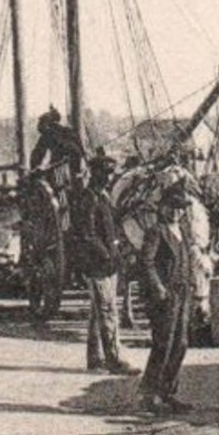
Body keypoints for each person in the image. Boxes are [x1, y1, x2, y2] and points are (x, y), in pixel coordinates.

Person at [139, 182, 197, 414]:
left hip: (183, 294)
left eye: (180, 207)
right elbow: (147, 262)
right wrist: (158, 288)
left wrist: (193, 286)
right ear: (162, 207)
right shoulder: (156, 231)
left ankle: (168, 392)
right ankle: (150, 393)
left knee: (181, 344)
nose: (175, 211)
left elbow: (189, 259)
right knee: (163, 343)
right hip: (165, 296)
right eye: (171, 207)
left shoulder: (182, 231)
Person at [76, 154, 137, 375]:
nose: (110, 177)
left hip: (106, 263)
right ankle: (114, 359)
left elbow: (109, 226)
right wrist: (108, 255)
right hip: (97, 264)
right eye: (107, 173)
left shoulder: (101, 196)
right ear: (96, 173)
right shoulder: (89, 198)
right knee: (108, 310)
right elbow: (88, 234)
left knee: (97, 311)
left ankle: (95, 357)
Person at [29, 107, 86, 178]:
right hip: (76, 168)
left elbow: (37, 155)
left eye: (41, 123)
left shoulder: (48, 134)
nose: (38, 127)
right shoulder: (70, 131)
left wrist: (34, 170)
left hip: (62, 168)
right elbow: (82, 152)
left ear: (47, 123)